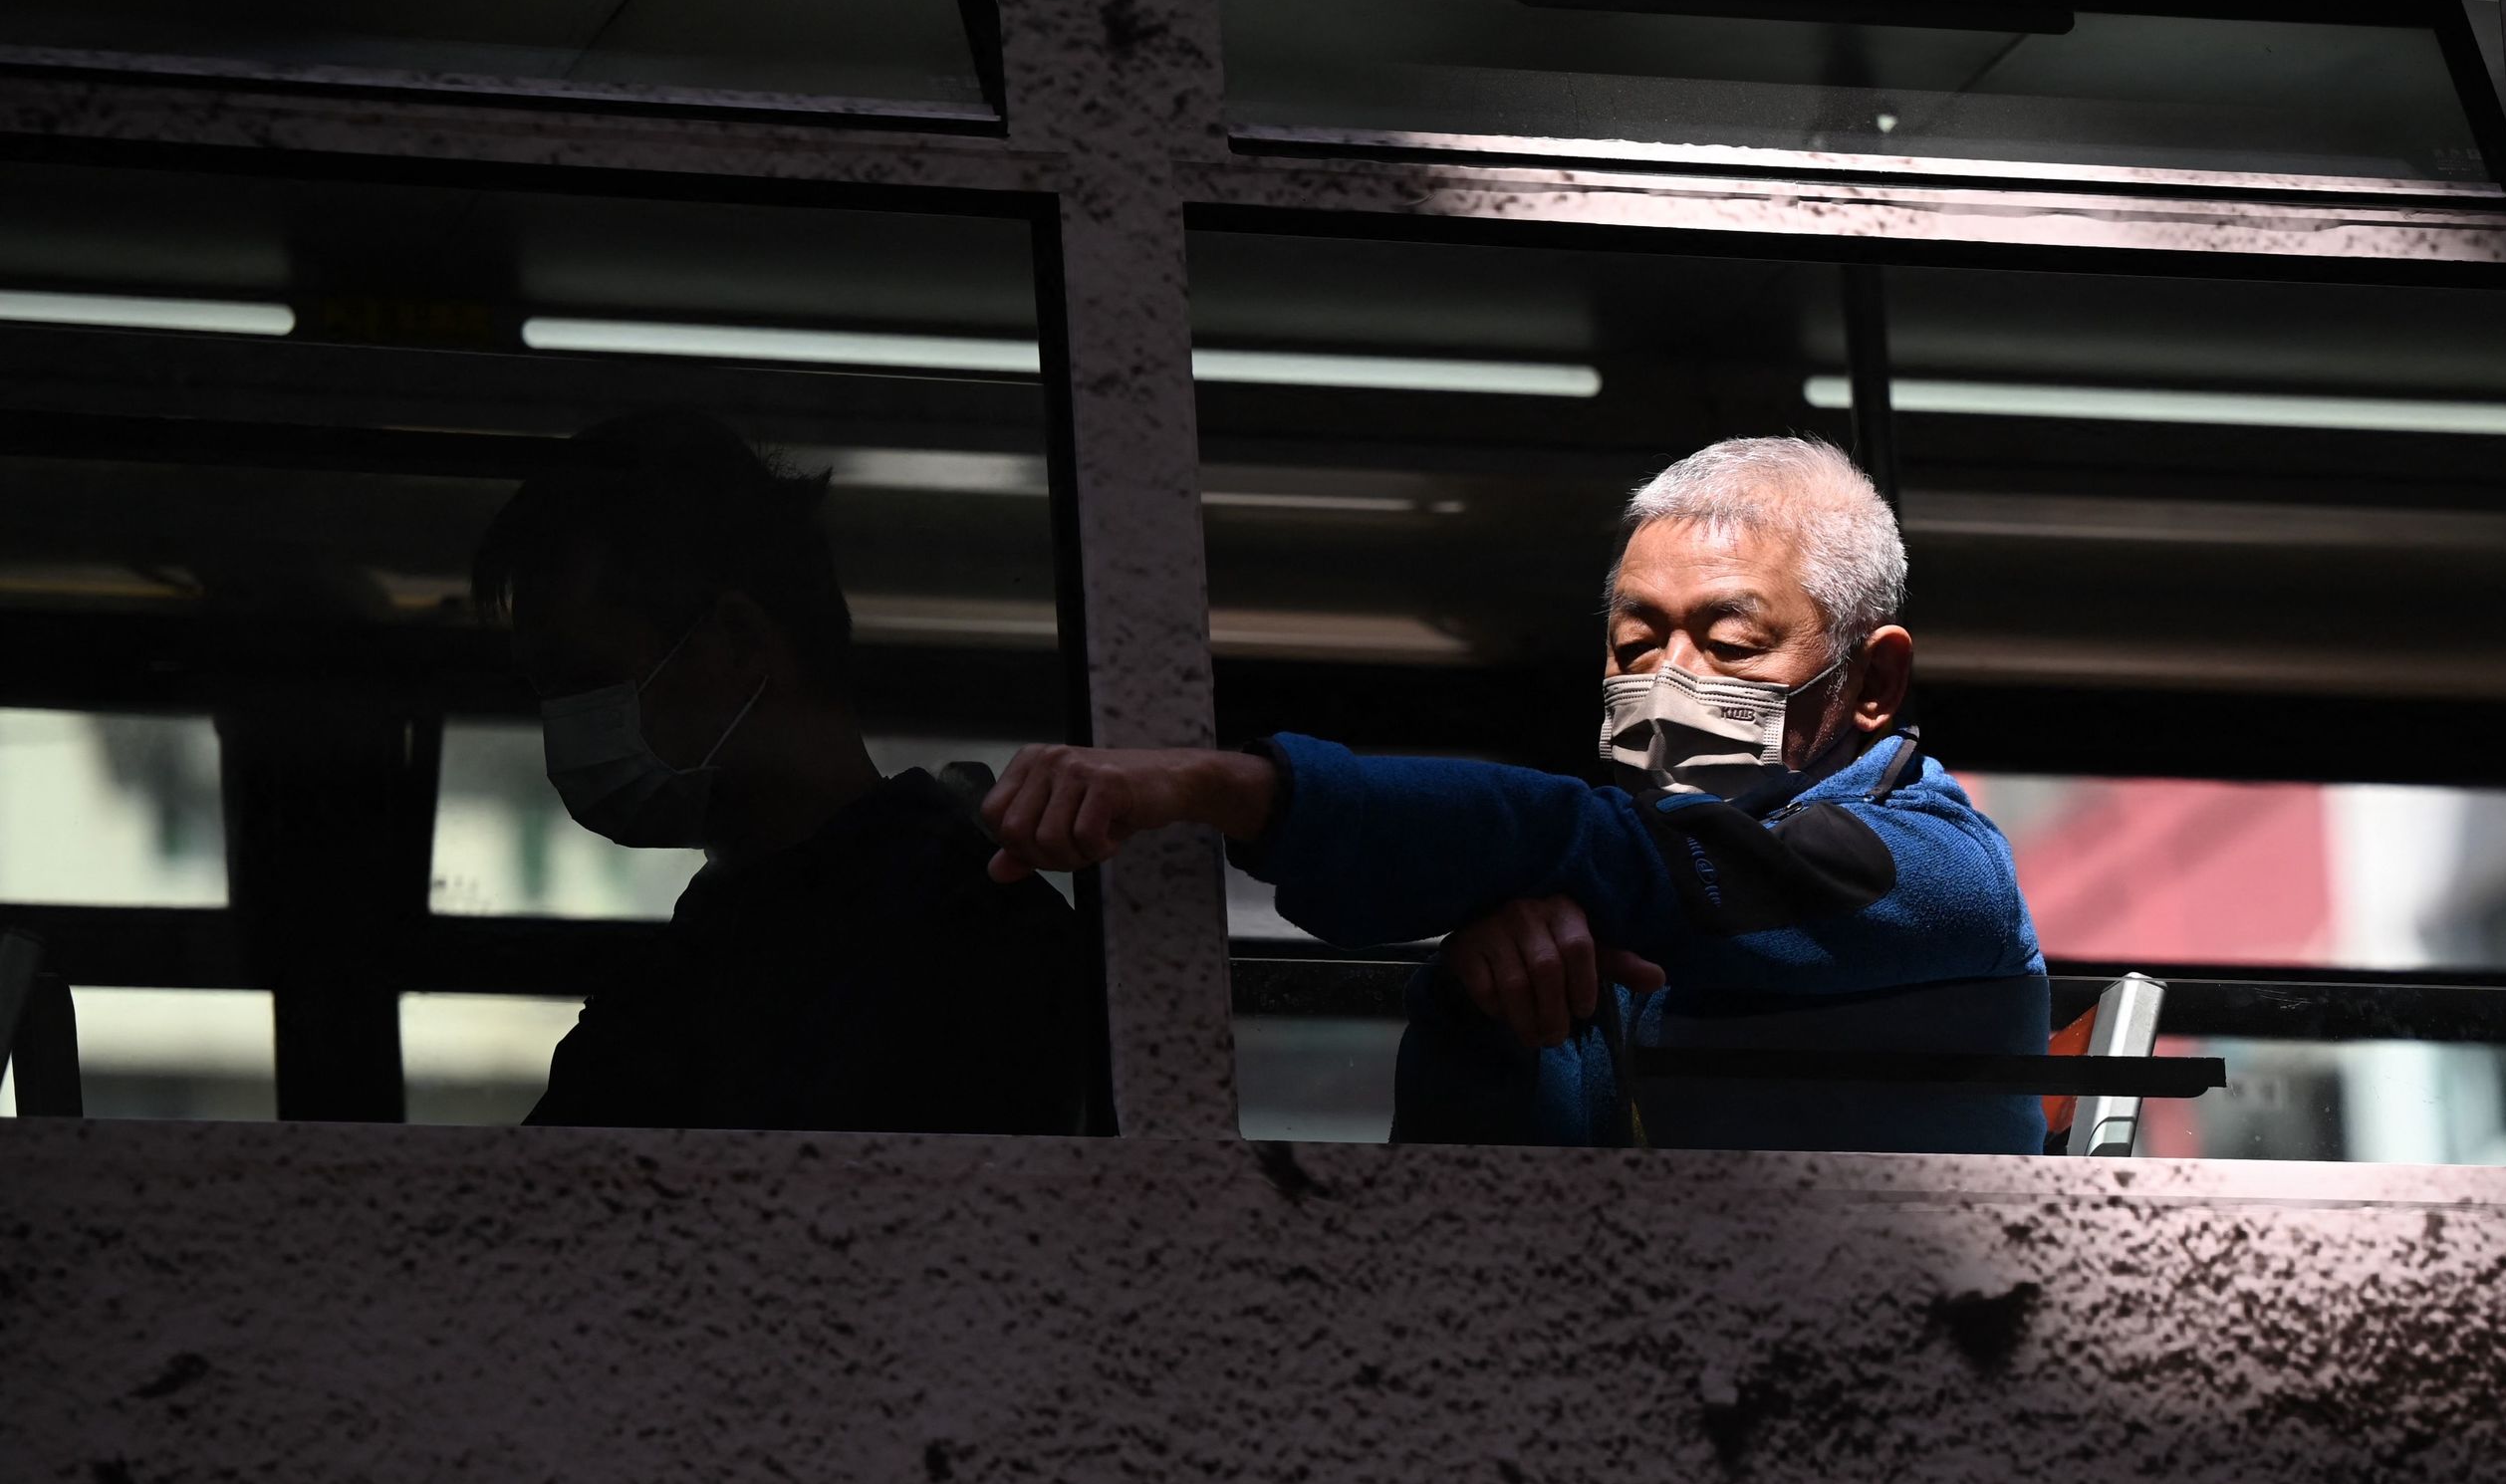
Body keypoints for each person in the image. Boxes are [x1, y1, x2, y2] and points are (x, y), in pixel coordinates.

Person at [983, 434, 2046, 1148]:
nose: (1669, 682)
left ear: (1874, 681)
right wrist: (1488, 998)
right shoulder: (1616, 914)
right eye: (1636, 643)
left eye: (1729, 644)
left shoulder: (1937, 873)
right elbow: (1481, 1207)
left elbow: (1601, 849)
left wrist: (1224, 787)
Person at [470, 410, 1086, 1133]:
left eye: (586, 678)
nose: (562, 727)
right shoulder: (712, 941)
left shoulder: (976, 944)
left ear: (736, 642)